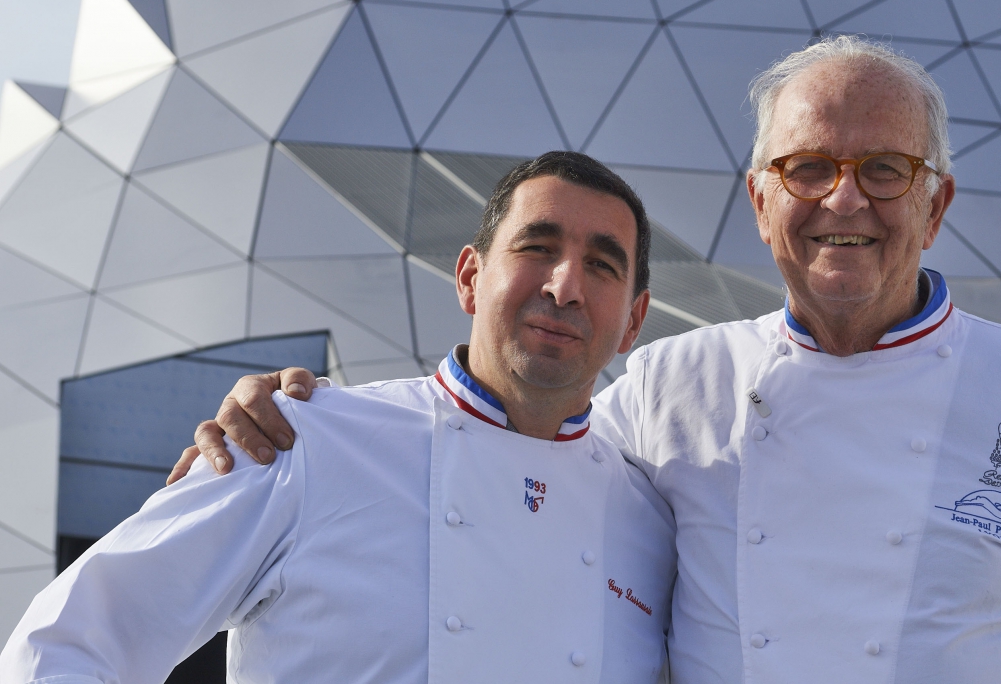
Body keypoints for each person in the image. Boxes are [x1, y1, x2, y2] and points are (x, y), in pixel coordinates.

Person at [174, 37, 1001, 683]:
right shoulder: (671, 385)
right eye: (806, 167)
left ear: (935, 203)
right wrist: (288, 420)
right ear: (760, 202)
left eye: (884, 170)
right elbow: (515, 451)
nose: (843, 200)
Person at [0, 152, 677, 683]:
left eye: (601, 265)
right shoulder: (302, 439)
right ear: (470, 277)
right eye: (537, 247)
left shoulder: (652, 524)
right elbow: (66, 643)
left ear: (633, 323)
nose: (565, 287)